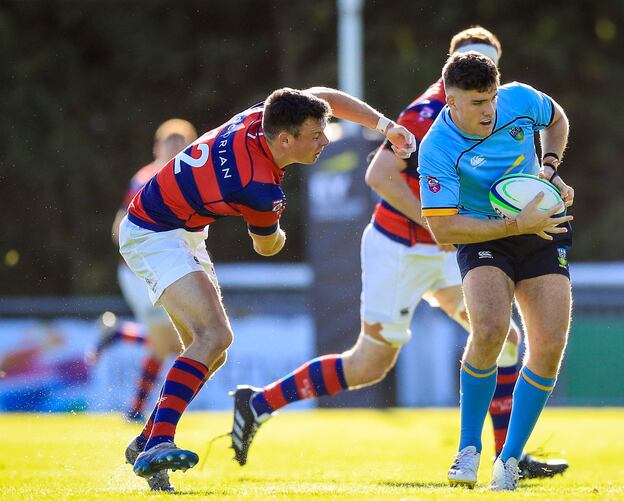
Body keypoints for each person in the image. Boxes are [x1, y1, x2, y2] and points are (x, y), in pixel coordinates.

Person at [227, 26, 567, 480]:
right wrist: (435, 225)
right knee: (369, 364)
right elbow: (379, 174)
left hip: (461, 242)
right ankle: (258, 403)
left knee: (501, 337)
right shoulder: (430, 113)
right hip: (401, 248)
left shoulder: (499, 103)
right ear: (452, 70)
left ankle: (509, 456)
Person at [118, 88, 415, 490]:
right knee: (216, 335)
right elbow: (267, 245)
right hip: (155, 231)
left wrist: (386, 127)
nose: (325, 141)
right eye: (316, 135)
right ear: (286, 140)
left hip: (179, 228)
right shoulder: (259, 188)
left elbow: (324, 96)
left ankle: (146, 440)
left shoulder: (270, 112)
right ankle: (160, 442)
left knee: (212, 350)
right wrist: (279, 229)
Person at [418, 52, 574, 491]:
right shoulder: (437, 147)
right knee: (489, 329)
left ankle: (509, 461)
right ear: (450, 100)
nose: (488, 110)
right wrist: (511, 224)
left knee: (550, 341)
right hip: (482, 235)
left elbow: (557, 119)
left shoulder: (520, 99)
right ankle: (468, 449)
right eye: (475, 103)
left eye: (490, 98)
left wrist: (548, 169)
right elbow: (443, 226)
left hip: (540, 225)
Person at [88, 123, 196, 431]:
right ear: (156, 149)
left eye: (182, 141)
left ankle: (121, 337)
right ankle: (141, 413)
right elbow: (119, 228)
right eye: (170, 142)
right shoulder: (146, 179)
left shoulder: (188, 180)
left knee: (175, 343)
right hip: (140, 274)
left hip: (162, 272)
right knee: (174, 344)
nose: (176, 147)